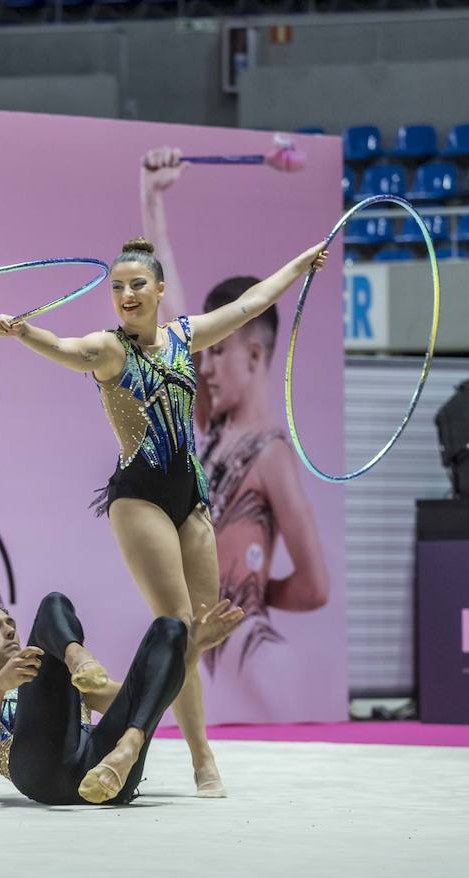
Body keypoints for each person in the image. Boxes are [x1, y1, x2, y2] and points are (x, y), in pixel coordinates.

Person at [0, 233, 327, 797]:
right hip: (139, 494)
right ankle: (191, 754)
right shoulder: (108, 348)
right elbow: (64, 348)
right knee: (173, 620)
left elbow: (250, 305)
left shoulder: (185, 336)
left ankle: (196, 754)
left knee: (197, 625)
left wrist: (298, 263)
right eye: (117, 287)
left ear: (160, 290)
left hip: (190, 495)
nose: (126, 295)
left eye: (137, 284)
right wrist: (21, 330)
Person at [140, 147, 330, 680]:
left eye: (218, 352)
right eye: (205, 354)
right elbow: (170, 317)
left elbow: (315, 586)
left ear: (252, 356)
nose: (206, 366)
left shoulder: (270, 455)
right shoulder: (215, 424)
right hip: (204, 638)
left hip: (245, 652)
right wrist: (152, 199)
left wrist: (245, 598)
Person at [0, 593, 244, 804]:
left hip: (109, 770)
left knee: (171, 629)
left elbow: (142, 698)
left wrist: (190, 651)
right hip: (44, 772)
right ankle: (77, 655)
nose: (9, 631)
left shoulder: (82, 685)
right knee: (52, 603)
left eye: (10, 624)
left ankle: (130, 744)